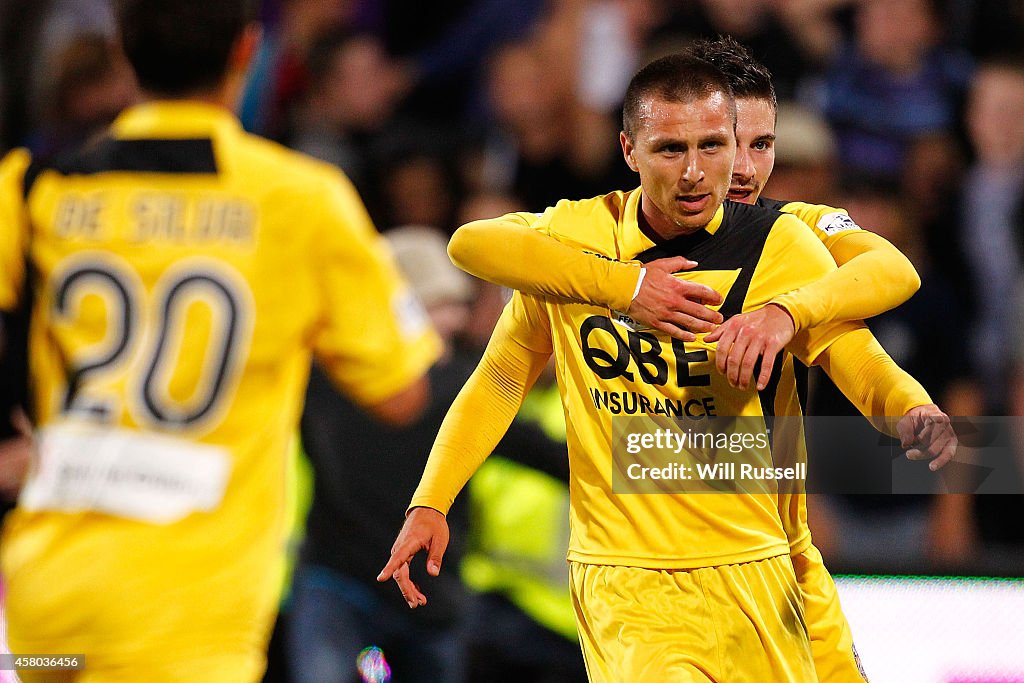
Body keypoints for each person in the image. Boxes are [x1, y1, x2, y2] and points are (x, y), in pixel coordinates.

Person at [380, 52, 955, 681]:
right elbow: (492, 342)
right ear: (629, 150)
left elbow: (864, 341)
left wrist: (905, 404)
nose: (697, 171)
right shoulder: (573, 243)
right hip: (625, 580)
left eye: (718, 146)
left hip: (766, 564)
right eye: (671, 148)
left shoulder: (787, 237)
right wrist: (624, 289)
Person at [0, 0, 440, 680]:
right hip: (188, 613)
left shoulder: (29, 188)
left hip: (43, 608)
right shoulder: (301, 200)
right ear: (247, 51)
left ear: (121, 53)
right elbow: (401, 392)